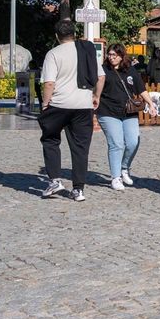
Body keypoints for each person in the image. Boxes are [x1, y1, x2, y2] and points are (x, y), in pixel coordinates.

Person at [39, 20, 105, 202]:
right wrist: (96, 96)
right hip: (83, 105)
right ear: (74, 33)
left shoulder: (53, 54)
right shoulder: (86, 51)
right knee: (80, 148)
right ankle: (78, 190)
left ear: (56, 36)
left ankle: (55, 181)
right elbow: (101, 77)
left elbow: (49, 83)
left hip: (59, 104)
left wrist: (45, 104)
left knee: (50, 140)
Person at [97, 43, 158, 191]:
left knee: (132, 142)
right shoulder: (103, 70)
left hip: (129, 112)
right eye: (109, 55)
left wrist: (150, 103)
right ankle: (115, 177)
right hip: (108, 111)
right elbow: (96, 88)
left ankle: (124, 168)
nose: (111, 58)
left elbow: (141, 89)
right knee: (116, 144)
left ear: (122, 56)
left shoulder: (130, 70)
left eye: (114, 55)